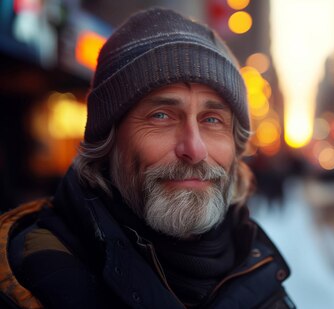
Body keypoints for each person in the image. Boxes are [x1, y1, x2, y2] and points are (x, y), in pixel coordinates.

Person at [0, 7, 293, 309]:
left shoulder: (260, 278)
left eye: (212, 120)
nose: (194, 149)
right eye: (161, 115)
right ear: (107, 141)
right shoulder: (34, 280)